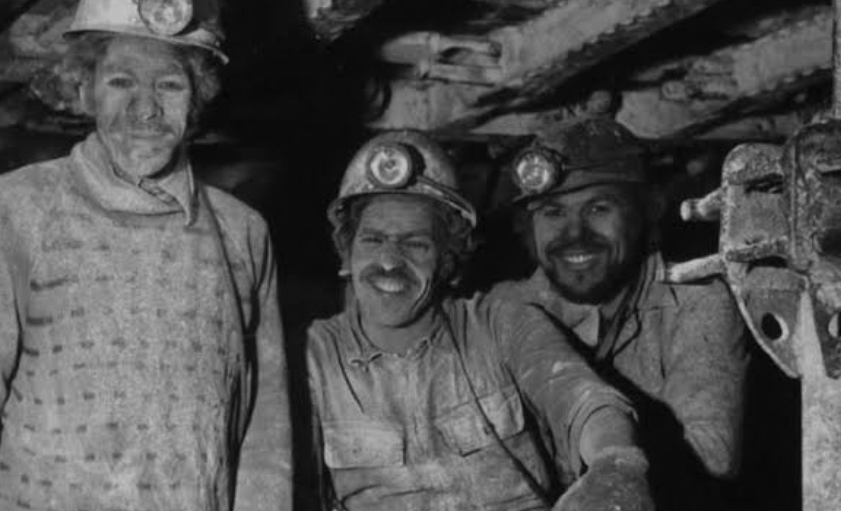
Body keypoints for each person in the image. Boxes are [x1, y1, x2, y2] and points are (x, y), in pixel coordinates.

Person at [0, 0, 292, 511]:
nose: (145, 109)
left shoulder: (243, 234)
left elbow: (265, 435)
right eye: (120, 82)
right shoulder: (18, 207)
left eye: (169, 85)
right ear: (85, 89)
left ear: (199, 96)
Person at [307, 129, 654, 511]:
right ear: (347, 253)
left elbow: (584, 400)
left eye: (415, 244)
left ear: (448, 260)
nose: (389, 262)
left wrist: (615, 461)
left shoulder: (499, 323)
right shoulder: (314, 357)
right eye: (372, 240)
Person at [496, 117, 749, 508]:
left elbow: (711, 458)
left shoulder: (694, 302)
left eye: (598, 208)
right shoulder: (504, 310)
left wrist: (610, 457)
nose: (574, 235)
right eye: (552, 213)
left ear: (647, 209)